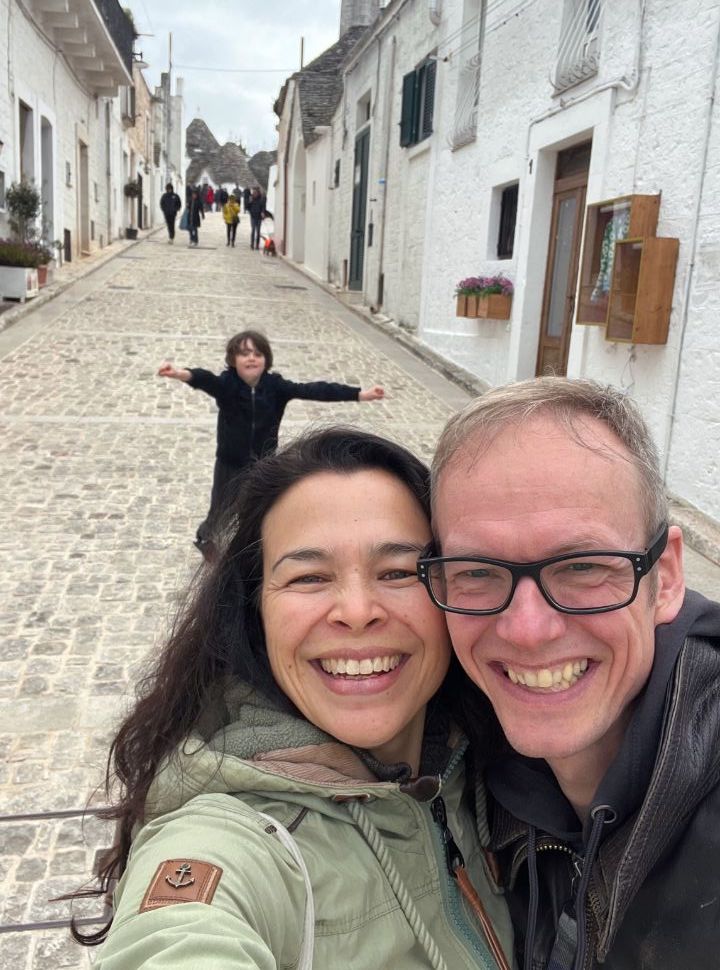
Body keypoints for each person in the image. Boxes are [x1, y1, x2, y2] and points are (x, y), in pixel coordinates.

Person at [74, 428, 514, 970]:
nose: (356, 611)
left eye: (398, 571)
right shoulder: (226, 841)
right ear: (255, 611)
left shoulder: (496, 763)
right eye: (308, 577)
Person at [419, 376, 720, 970]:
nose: (528, 630)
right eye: (477, 571)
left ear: (665, 577)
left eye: (582, 566)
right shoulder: (457, 749)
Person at [157, 330, 386, 560]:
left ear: (265, 359)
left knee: (259, 509)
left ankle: (253, 551)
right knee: (221, 511)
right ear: (233, 360)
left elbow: (315, 390)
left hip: (263, 462)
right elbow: (205, 379)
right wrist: (179, 373)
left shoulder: (276, 386)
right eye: (244, 354)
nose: (251, 358)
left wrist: (360, 394)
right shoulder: (227, 385)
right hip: (230, 463)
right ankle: (206, 538)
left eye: (257, 353)